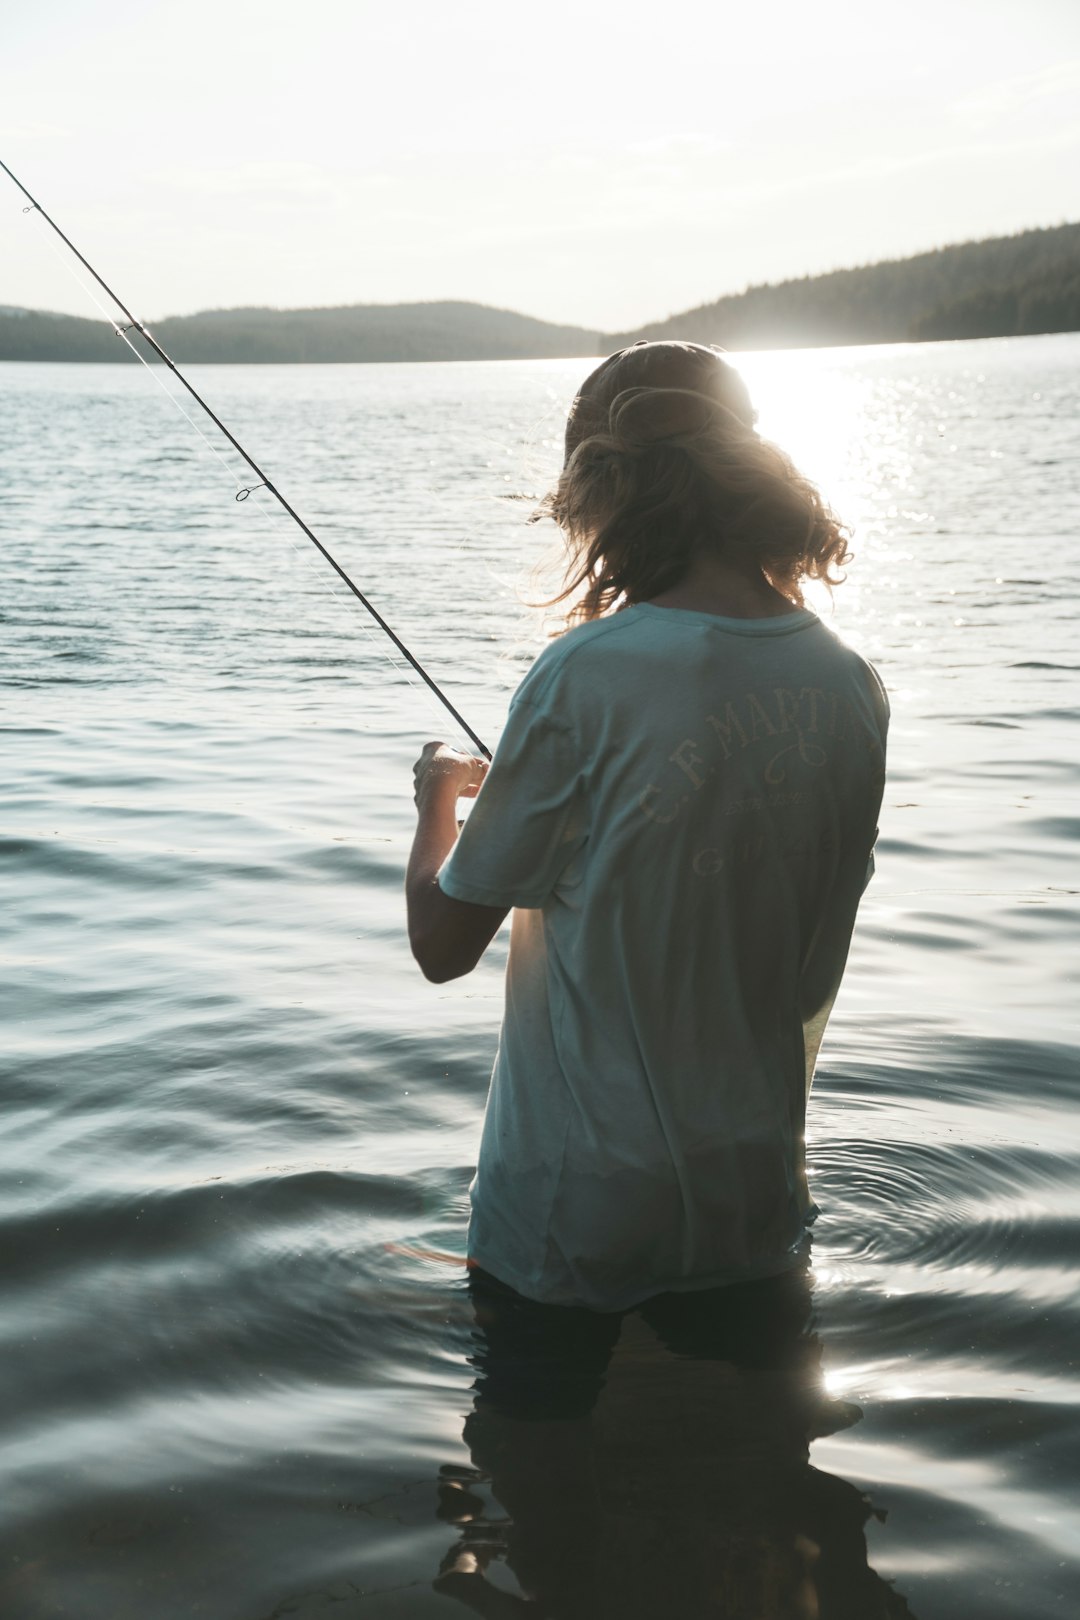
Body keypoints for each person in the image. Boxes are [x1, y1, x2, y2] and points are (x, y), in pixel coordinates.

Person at [406, 340, 888, 1313]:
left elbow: (443, 945)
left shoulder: (586, 672)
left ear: (604, 487)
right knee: (752, 1460)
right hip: (752, 1198)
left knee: (535, 1463)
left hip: (574, 1207)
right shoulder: (849, 683)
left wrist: (439, 805)